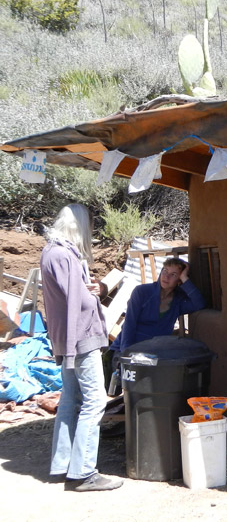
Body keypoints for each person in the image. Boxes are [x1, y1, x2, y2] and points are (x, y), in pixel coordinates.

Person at [40, 203, 123, 491]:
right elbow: (76, 302)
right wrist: (96, 303)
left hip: (67, 336)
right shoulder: (64, 255)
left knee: (69, 400)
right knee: (94, 402)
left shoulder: (53, 252)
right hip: (80, 337)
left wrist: (96, 290)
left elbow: (73, 294)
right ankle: (84, 472)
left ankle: (63, 464)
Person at [109, 257, 205, 356]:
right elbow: (129, 324)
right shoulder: (142, 292)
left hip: (155, 353)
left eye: (173, 274)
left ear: (179, 280)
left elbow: (199, 304)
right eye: (165, 271)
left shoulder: (178, 301)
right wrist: (127, 353)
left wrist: (185, 278)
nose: (166, 277)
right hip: (126, 350)